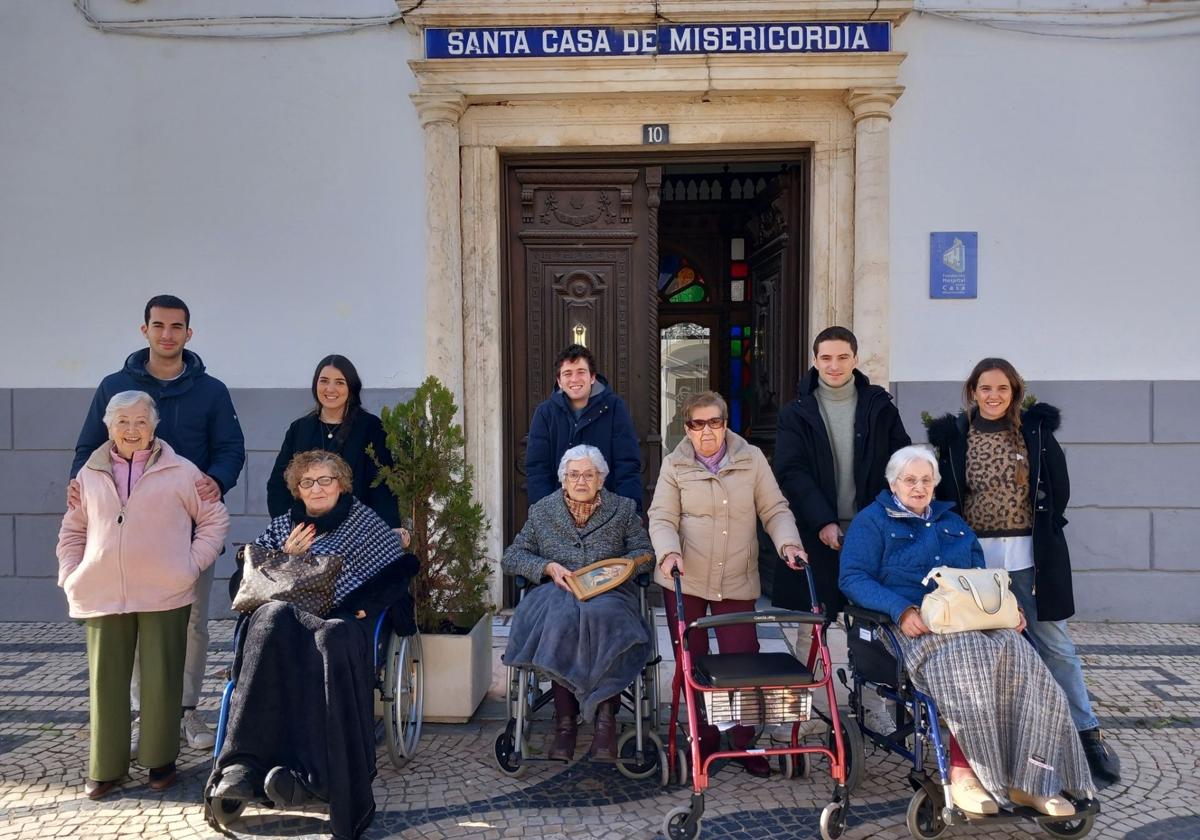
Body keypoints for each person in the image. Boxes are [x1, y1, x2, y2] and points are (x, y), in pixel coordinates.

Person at [839, 445, 1094, 818]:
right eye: (910, 480)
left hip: (968, 621)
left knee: (1024, 659)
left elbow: (981, 577)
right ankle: (965, 774)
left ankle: (1034, 780)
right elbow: (852, 578)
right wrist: (900, 608)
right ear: (893, 483)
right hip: (912, 628)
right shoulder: (873, 521)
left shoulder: (953, 523)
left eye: (926, 480)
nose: (918, 486)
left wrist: (1009, 608)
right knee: (969, 661)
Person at [927, 358, 1121, 785]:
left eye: (1001, 388)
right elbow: (947, 495)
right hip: (975, 567)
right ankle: (990, 743)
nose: (993, 396)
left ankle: (1087, 735)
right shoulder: (956, 436)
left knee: (1055, 646)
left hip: (1029, 562)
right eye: (984, 389)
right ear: (972, 392)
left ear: (1014, 391)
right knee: (979, 655)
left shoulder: (1034, 431)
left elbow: (1060, 489)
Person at [208, 450, 416, 840]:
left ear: (341, 484)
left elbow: (399, 573)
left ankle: (319, 776)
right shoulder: (283, 526)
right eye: (307, 482)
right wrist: (284, 558)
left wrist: (361, 609)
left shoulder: (365, 524)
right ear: (297, 490)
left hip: (342, 620)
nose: (316, 488)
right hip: (287, 623)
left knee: (330, 638)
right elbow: (243, 589)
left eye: (325, 480)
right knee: (268, 618)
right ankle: (242, 766)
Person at [69, 294, 246, 751]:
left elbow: (231, 449)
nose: (167, 334)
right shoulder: (113, 386)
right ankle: (132, 712)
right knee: (124, 621)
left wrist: (216, 481)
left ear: (189, 334)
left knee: (191, 624)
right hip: (123, 537)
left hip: (184, 535)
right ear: (144, 329)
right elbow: (88, 447)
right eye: (159, 325)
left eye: (177, 327)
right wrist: (78, 488)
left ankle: (184, 712)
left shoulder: (212, 391)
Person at [56, 391, 230, 799]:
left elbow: (214, 518)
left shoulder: (182, 470)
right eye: (122, 422)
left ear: (154, 427)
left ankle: (160, 760)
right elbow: (73, 528)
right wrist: (70, 572)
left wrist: (189, 564)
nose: (131, 430)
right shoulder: (90, 472)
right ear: (109, 426)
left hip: (164, 591)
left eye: (140, 422)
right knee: (106, 683)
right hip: (102, 591)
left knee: (162, 678)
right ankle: (105, 767)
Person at [649, 391, 806, 777]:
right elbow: (662, 517)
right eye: (698, 424)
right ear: (687, 428)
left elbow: (774, 508)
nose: (707, 431)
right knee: (694, 661)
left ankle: (742, 738)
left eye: (714, 422)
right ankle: (704, 737)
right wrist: (668, 552)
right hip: (684, 580)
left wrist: (788, 542)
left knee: (742, 659)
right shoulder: (675, 464)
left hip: (736, 579)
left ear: (725, 424)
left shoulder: (751, 459)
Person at [502, 445, 654, 762]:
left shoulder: (623, 509)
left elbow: (644, 554)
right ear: (563, 479)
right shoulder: (542, 511)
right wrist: (546, 567)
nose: (580, 481)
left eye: (588, 474)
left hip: (610, 594)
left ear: (601, 480)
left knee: (605, 619)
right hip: (555, 593)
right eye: (574, 475)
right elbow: (512, 556)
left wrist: (615, 569)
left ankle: (605, 722)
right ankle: (565, 723)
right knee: (562, 620)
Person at [772, 326, 910, 617]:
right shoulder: (795, 412)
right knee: (814, 626)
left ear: (855, 359)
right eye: (826, 358)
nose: (834, 366)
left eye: (842, 357)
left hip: (874, 529)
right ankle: (816, 667)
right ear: (815, 360)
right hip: (816, 530)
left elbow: (901, 463)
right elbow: (791, 471)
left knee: (873, 622)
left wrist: (880, 519)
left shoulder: (879, 406)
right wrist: (823, 520)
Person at [267, 354, 403, 529]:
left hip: (357, 531)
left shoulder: (370, 427)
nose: (330, 389)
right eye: (324, 381)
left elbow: (382, 486)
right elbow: (278, 484)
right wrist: (287, 527)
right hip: (306, 531)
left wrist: (387, 530)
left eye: (339, 382)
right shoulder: (300, 429)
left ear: (351, 387)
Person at [525, 343, 642, 509]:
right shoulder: (545, 413)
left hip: (607, 512)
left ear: (592, 376)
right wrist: (543, 514)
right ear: (559, 381)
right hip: (559, 512)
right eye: (567, 373)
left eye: (581, 372)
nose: (574, 379)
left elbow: (627, 464)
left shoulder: (615, 408)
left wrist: (632, 512)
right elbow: (538, 469)